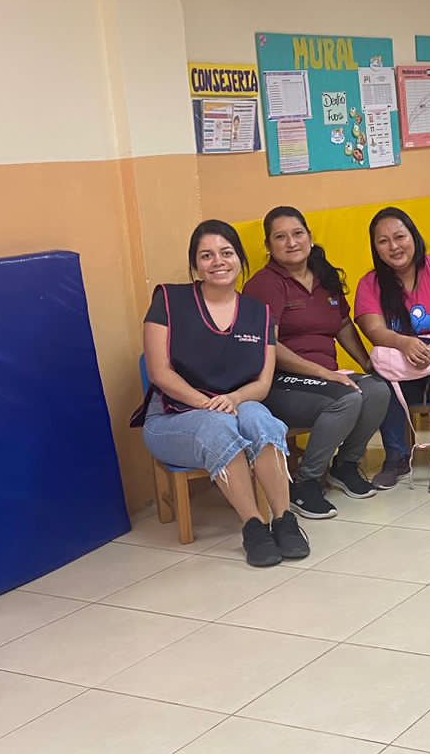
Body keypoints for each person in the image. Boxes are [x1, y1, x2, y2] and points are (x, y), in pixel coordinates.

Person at [132, 220, 308, 568]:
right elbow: (159, 372)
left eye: (226, 253)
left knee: (260, 418)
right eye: (206, 255)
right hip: (172, 417)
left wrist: (235, 399)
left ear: (240, 259)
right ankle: (253, 526)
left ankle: (284, 519)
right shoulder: (168, 300)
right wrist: (207, 404)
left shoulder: (259, 314)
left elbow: (262, 383)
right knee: (219, 427)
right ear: (195, 265)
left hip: (234, 405)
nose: (218, 262)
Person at [243, 205, 393, 520]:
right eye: (280, 237)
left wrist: (367, 364)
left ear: (310, 237)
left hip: (324, 379)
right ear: (268, 246)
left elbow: (343, 325)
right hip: (279, 382)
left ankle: (345, 466)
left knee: (378, 390)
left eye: (297, 234)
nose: (291, 242)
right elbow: (270, 345)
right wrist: (325, 373)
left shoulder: (324, 277)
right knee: (346, 399)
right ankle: (306, 481)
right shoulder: (264, 285)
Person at [353, 206, 430, 495]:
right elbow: (374, 330)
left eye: (400, 237)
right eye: (383, 241)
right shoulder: (369, 284)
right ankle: (396, 458)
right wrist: (404, 342)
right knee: (380, 385)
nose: (394, 246)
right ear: (375, 248)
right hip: (401, 366)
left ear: (414, 236)